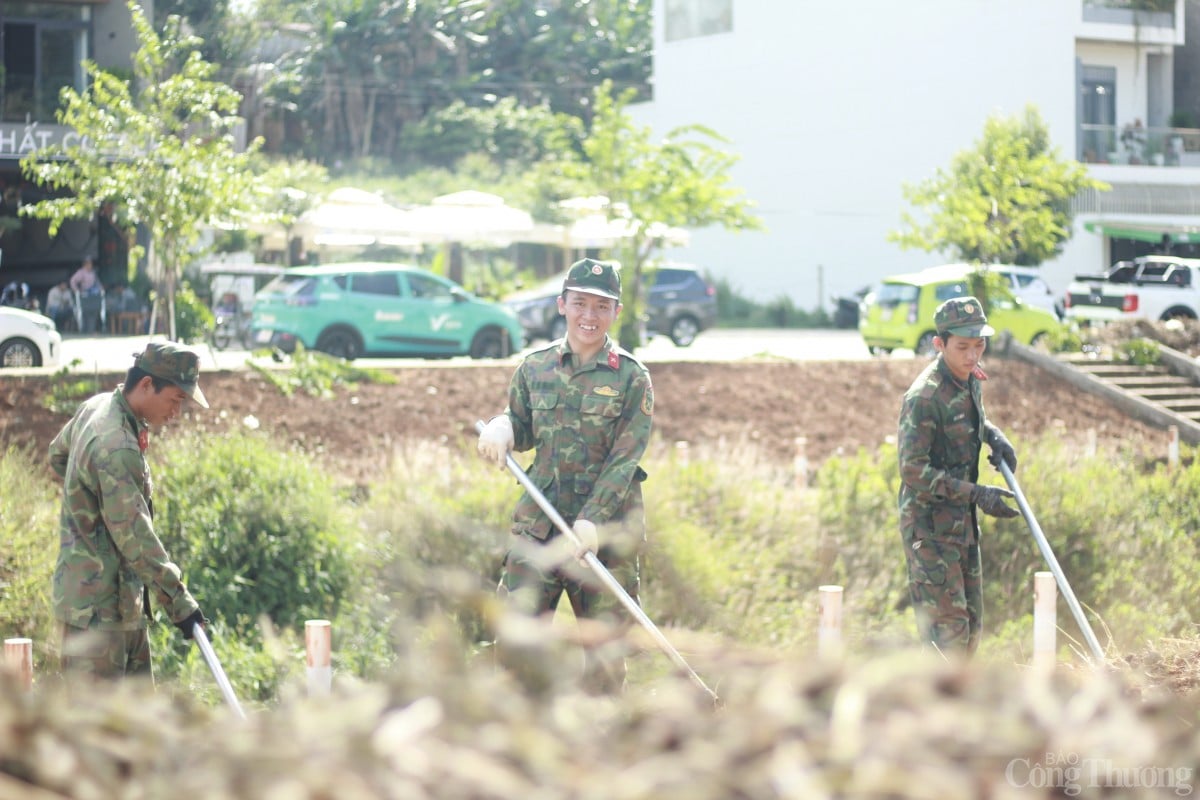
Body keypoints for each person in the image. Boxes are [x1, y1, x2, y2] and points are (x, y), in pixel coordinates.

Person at [477, 258, 654, 694]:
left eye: (600, 306)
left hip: (606, 534)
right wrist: (503, 427)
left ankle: (604, 744)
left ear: (616, 313)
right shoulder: (534, 369)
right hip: (540, 524)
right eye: (580, 304)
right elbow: (521, 424)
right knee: (517, 644)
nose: (588, 316)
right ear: (562, 305)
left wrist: (593, 519)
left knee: (605, 658)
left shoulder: (632, 377)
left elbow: (625, 459)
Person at [49, 342, 211, 684]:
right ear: (147, 384)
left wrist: (91, 511)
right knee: (98, 732)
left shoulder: (99, 408)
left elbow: (57, 457)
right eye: (175, 400)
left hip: (122, 607)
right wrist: (179, 603)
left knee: (136, 731)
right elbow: (136, 537)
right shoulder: (116, 445)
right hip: (98, 620)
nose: (176, 412)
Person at [897, 296, 1019, 657]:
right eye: (962, 346)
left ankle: (958, 706)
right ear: (940, 344)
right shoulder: (924, 396)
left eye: (978, 345)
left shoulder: (969, 379)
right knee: (947, 638)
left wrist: (992, 433)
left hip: (962, 527)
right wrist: (977, 494)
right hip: (930, 530)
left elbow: (967, 419)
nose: (972, 355)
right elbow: (913, 470)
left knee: (972, 627)